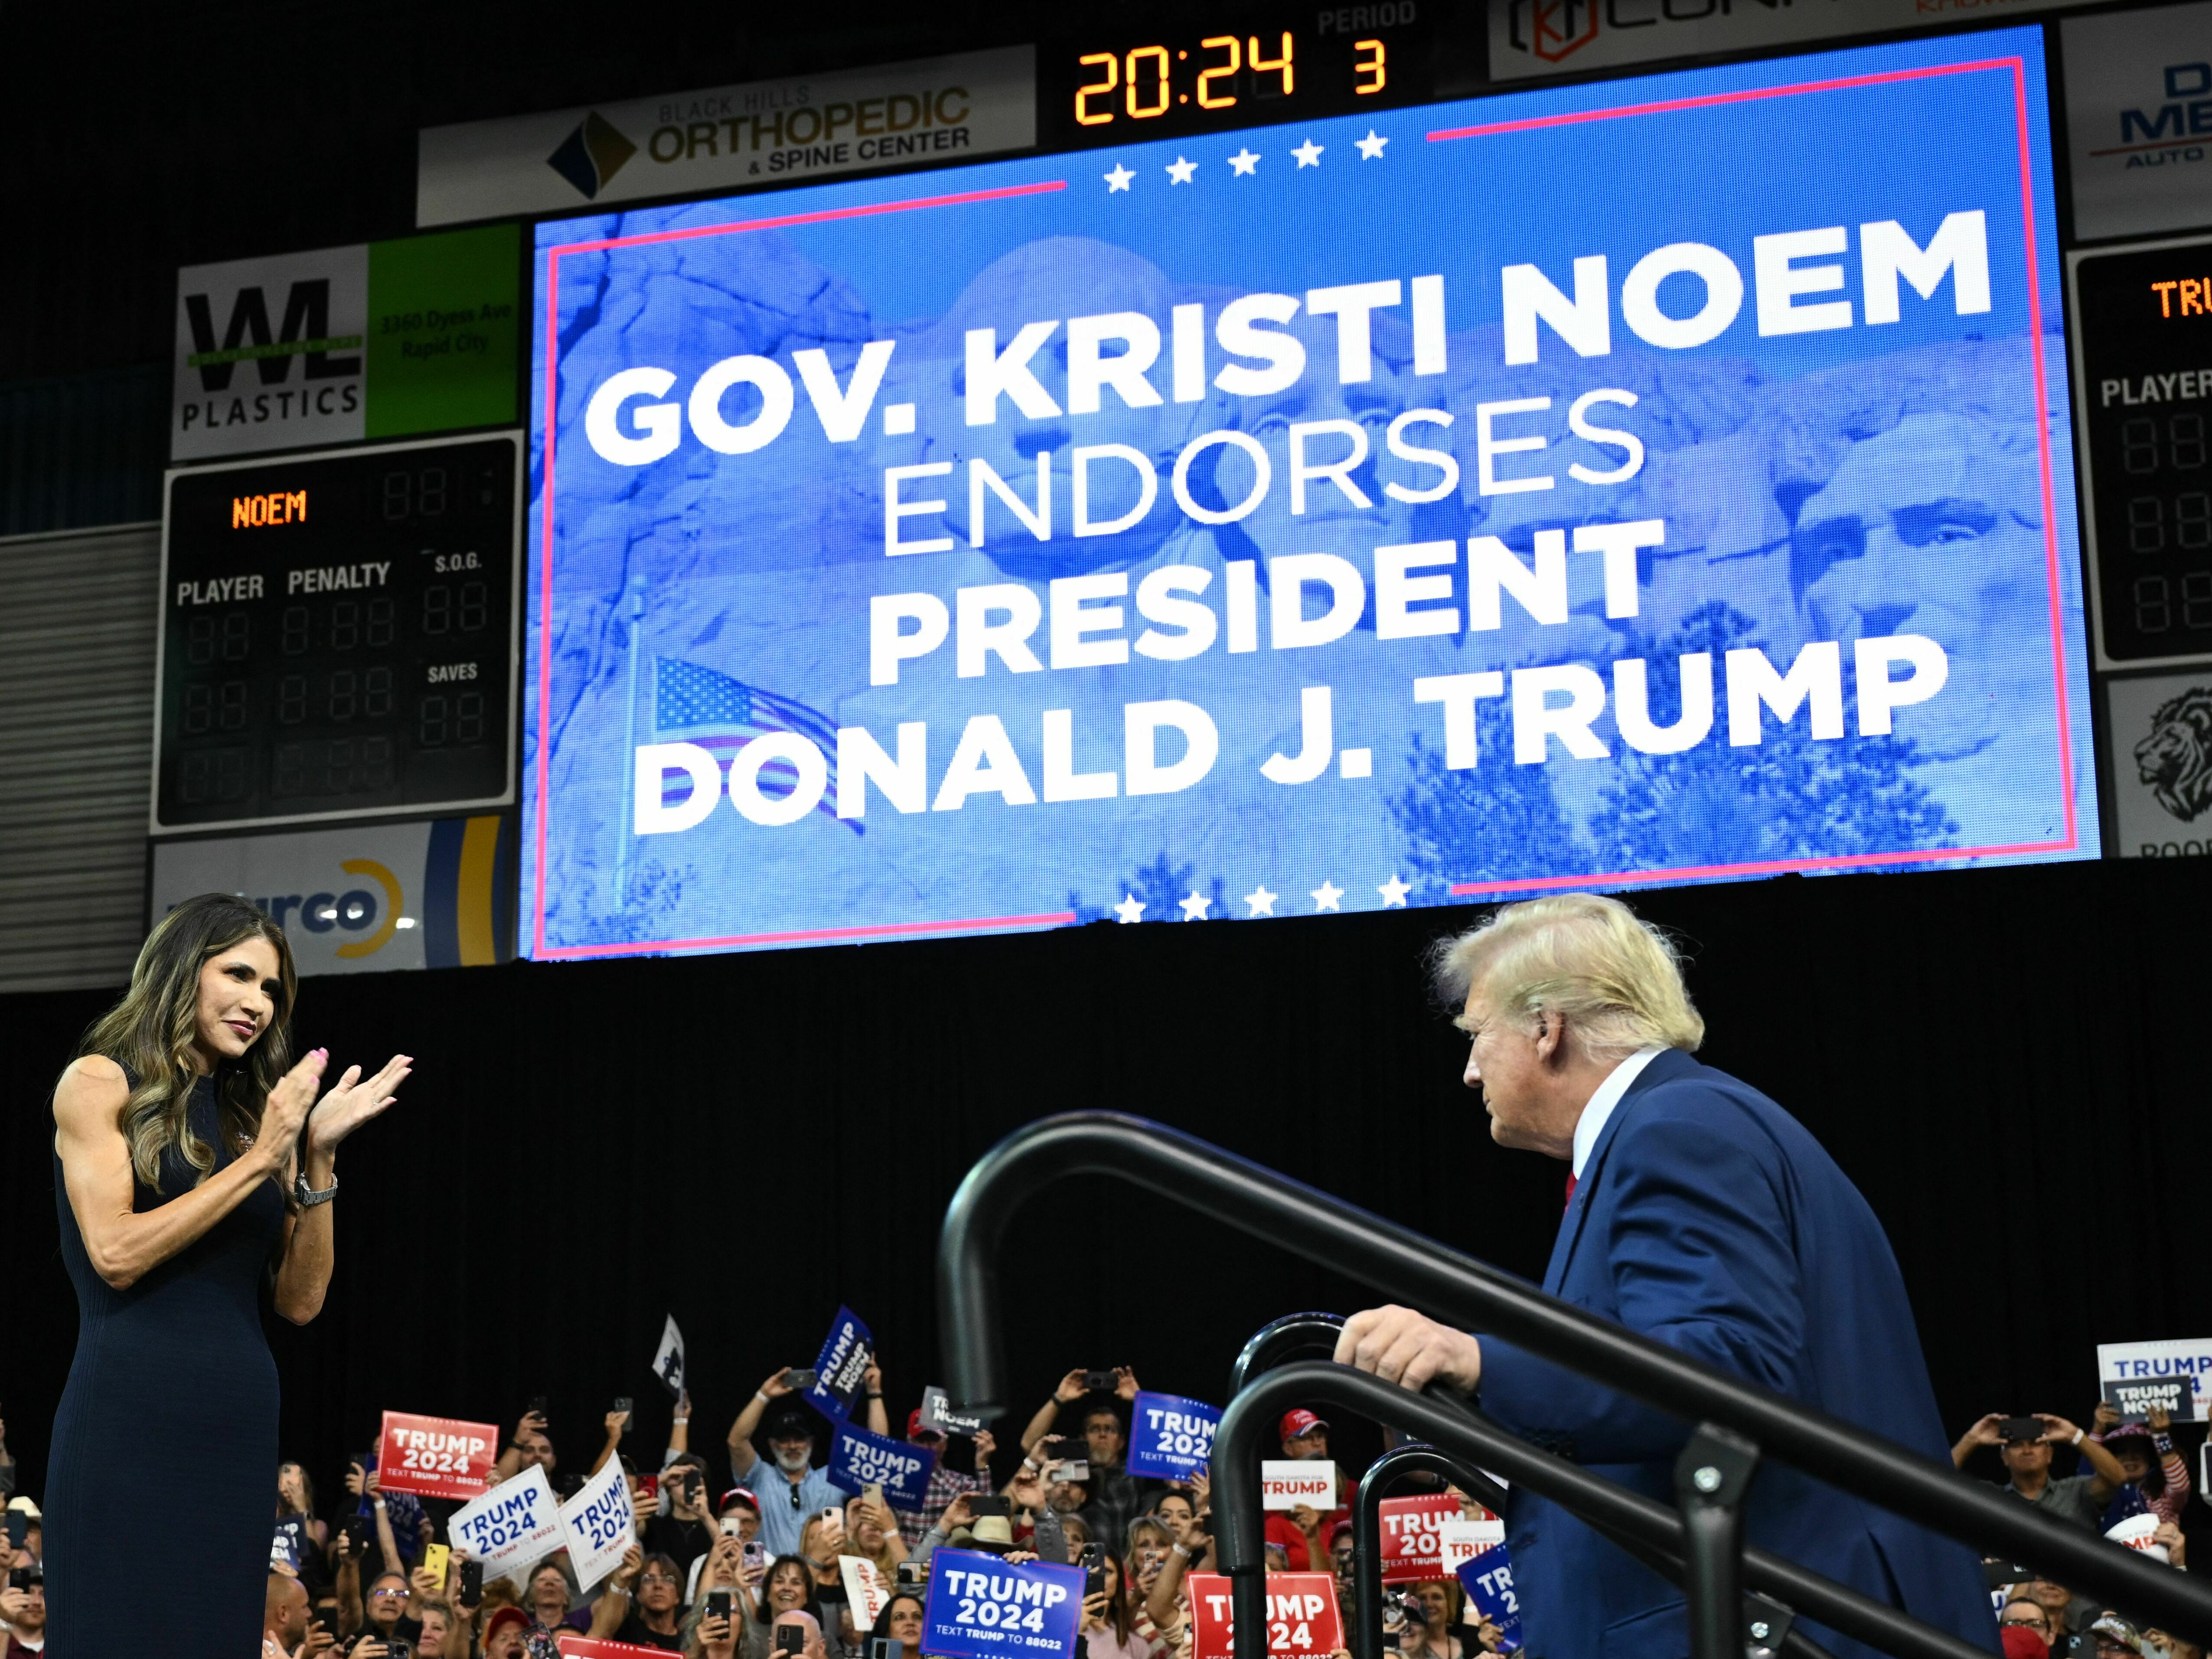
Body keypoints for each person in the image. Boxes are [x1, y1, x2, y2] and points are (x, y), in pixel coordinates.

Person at [1332, 892, 1996, 1659]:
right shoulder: (1683, 1122)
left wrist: (1479, 1361)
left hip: (1784, 1624)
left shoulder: (1676, 1129)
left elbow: (1724, 1367)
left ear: (1547, 1028)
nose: (1469, 1072)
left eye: (1477, 1035)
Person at [45, 894, 409, 1659]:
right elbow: (113, 1253)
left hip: (235, 1430)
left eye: (273, 988)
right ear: (183, 971)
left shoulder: (251, 1122)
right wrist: (258, 1161)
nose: (258, 1003)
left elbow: (301, 1301)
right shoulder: (98, 1083)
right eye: (238, 974)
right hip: (128, 1420)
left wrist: (315, 1157)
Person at [728, 1375, 866, 1556]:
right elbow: (736, 1442)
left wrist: (874, 1394)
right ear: (772, 1444)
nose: (792, 1446)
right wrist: (764, 1395)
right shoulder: (760, 1476)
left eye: (799, 1439)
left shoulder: (831, 1478)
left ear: (811, 1443)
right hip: (771, 1581)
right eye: (785, 1440)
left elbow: (876, 1452)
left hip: (824, 1580)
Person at [1952, 1414, 2123, 1529]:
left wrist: (2074, 1435)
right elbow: (1937, 1483)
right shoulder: (1990, 1499)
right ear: (2004, 1457)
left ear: (2050, 1454)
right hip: (2015, 1584)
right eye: (2017, 1445)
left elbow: (2117, 1477)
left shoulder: (2077, 1492)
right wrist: (1971, 1439)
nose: (2027, 1450)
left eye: (2035, 1443)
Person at [1263, 1411, 1348, 1571]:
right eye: (1308, 1438)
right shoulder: (1275, 1524)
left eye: (1321, 1436)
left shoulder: (1337, 1530)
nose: (1317, 1443)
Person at [2090, 1405, 2193, 1528]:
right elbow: (2084, 1478)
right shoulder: (2100, 1493)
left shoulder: (2162, 1497)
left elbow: (2180, 1488)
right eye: (2122, 1451)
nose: (2130, 1457)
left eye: (2138, 1451)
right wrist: (2097, 1431)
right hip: (2106, 1548)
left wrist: (2161, 1437)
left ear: (2150, 1457)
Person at [1081, 1551, 1152, 1659]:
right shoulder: (1059, 1628)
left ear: (1119, 1581)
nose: (1098, 1576)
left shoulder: (1137, 1645)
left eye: (1106, 1571)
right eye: (1090, 1569)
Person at [0, 1566, 41, 1658]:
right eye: (29, 1592)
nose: (37, 1602)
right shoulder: (3, 1643)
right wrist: (4, 1622)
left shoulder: (64, 1645)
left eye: (43, 1594)